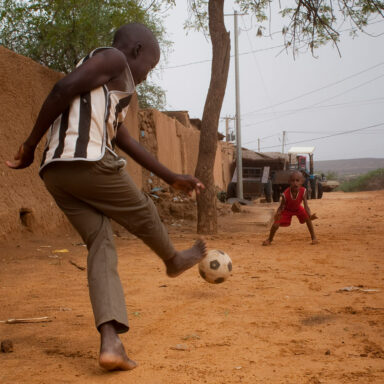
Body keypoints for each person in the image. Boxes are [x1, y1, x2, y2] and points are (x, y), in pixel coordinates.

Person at [6, 23, 207, 371]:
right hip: (86, 161)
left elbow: (125, 140)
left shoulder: (111, 93)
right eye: (151, 66)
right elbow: (61, 88)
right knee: (143, 210)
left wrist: (171, 177)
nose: (147, 75)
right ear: (137, 51)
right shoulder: (112, 58)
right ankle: (172, 259)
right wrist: (28, 143)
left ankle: (111, 342)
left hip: (55, 174)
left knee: (102, 242)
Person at [263, 171, 318, 246]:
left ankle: (314, 237)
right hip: (287, 210)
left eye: (297, 180)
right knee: (275, 225)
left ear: (301, 182)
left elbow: (306, 205)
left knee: (308, 220)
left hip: (298, 209)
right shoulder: (285, 194)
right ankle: (269, 239)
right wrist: (278, 214)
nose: (295, 183)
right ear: (289, 182)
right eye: (293, 181)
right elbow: (281, 206)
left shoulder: (303, 191)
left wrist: (309, 215)